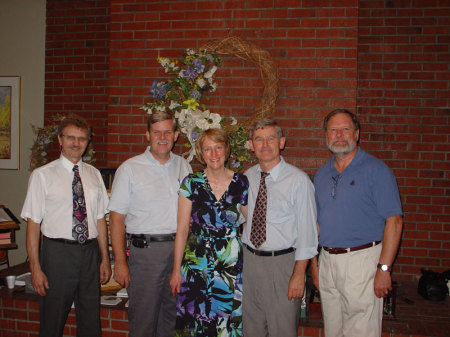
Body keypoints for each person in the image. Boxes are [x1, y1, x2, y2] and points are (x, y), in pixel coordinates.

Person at [312, 109, 403, 337]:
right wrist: (315, 265)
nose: (339, 135)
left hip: (362, 262)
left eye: (345, 129)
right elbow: (316, 224)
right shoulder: (322, 174)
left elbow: (394, 221)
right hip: (328, 262)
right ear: (326, 136)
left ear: (357, 134)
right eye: (334, 130)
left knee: (361, 331)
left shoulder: (376, 171)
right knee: (333, 331)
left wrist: (384, 269)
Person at [21, 114, 111, 337]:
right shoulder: (42, 176)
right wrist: (35, 268)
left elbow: (100, 220)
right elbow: (33, 225)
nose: (76, 143)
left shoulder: (94, 174)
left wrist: (105, 259)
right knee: (52, 322)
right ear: (60, 140)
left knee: (91, 323)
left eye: (82, 138)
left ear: (88, 142)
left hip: (90, 254)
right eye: (71, 137)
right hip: (57, 254)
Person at [108, 111, 192, 337]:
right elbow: (116, 219)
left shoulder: (184, 166)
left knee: (173, 321)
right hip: (145, 255)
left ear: (176, 135)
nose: (162, 137)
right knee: (144, 321)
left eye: (167, 132)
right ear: (147, 135)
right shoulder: (130, 169)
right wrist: (119, 262)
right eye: (157, 132)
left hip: (179, 253)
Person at [241, 119, 318, 337]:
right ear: (251, 145)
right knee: (251, 329)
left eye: (271, 138)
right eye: (259, 139)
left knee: (281, 330)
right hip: (250, 262)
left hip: (282, 265)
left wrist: (298, 273)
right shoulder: (248, 177)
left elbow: (308, 233)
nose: (265, 144)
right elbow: (240, 214)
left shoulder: (298, 181)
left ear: (281, 142)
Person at [170, 128, 249, 337]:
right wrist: (176, 270)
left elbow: (249, 224)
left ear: (226, 149)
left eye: (218, 148)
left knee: (226, 322)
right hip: (196, 263)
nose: (214, 154)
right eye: (208, 149)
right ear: (201, 153)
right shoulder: (191, 183)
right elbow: (182, 229)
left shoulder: (241, 183)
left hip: (229, 264)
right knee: (194, 319)